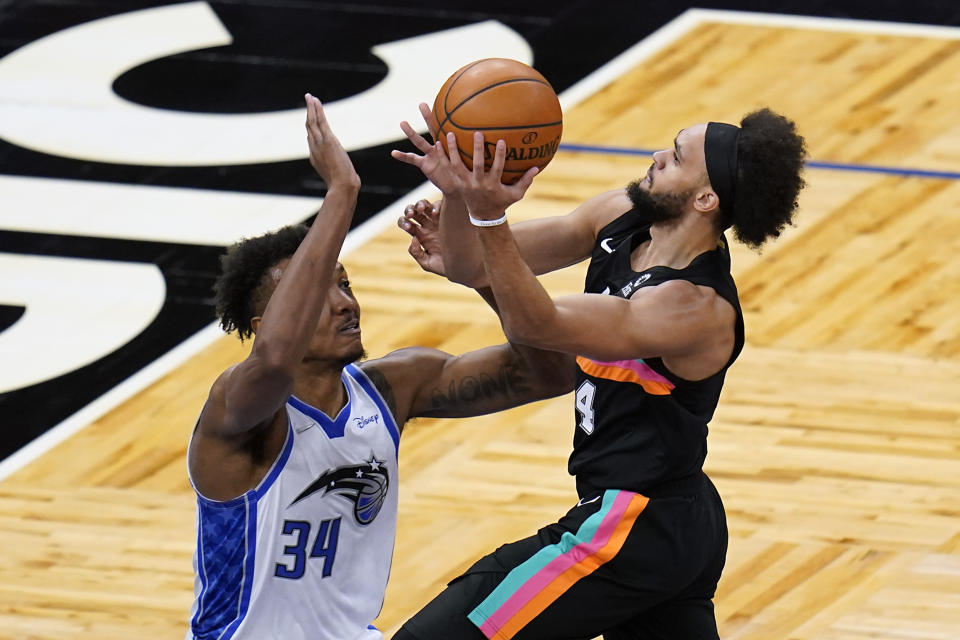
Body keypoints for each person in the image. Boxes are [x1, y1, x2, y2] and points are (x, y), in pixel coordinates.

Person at [390, 105, 806, 639]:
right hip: (673, 520)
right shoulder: (621, 215)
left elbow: (537, 323)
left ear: (706, 200)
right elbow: (472, 263)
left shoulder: (692, 306)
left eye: (676, 158)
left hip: (631, 527)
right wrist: (458, 193)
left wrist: (489, 217)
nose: (657, 157)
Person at [185, 95, 573, 640]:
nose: (345, 302)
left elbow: (551, 373)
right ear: (263, 320)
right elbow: (274, 357)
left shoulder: (392, 387)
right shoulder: (241, 408)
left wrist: (478, 260)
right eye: (320, 290)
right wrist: (342, 193)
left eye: (344, 283)